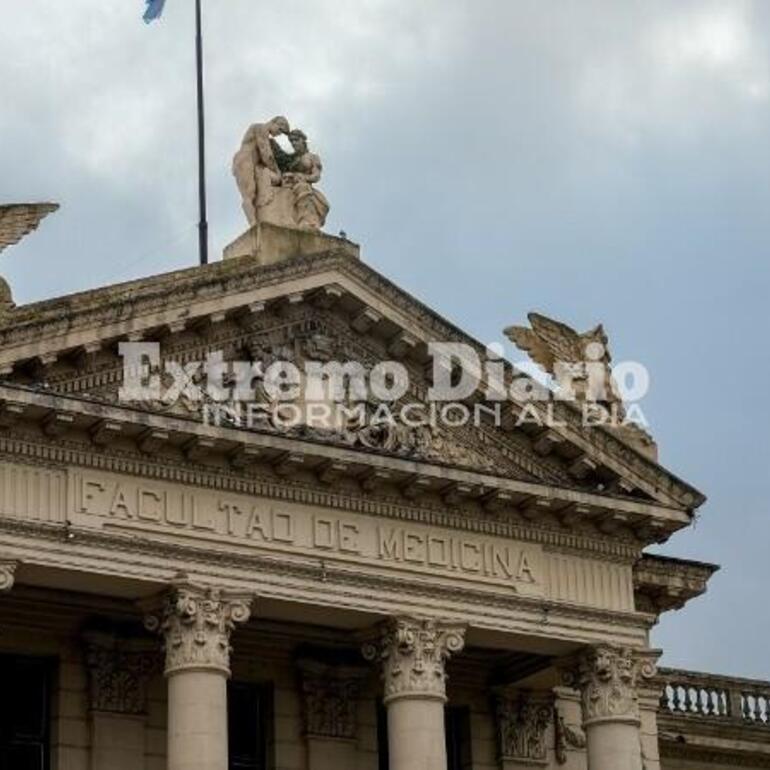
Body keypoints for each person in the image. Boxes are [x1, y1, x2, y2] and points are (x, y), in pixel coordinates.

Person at [231, 116, 290, 225]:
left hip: (249, 162)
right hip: (245, 160)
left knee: (251, 193)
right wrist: (278, 172)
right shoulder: (260, 128)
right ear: (275, 123)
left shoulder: (264, 132)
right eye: (280, 130)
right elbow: (266, 153)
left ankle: (255, 222)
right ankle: (253, 224)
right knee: (249, 193)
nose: (278, 134)